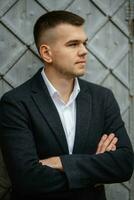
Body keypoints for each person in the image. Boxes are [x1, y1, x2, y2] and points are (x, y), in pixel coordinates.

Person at [0, 10, 133, 200]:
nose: (84, 51)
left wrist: (60, 162)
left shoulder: (102, 98)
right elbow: (26, 179)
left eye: (84, 43)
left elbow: (124, 165)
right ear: (47, 53)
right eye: (73, 44)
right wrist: (94, 171)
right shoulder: (16, 102)